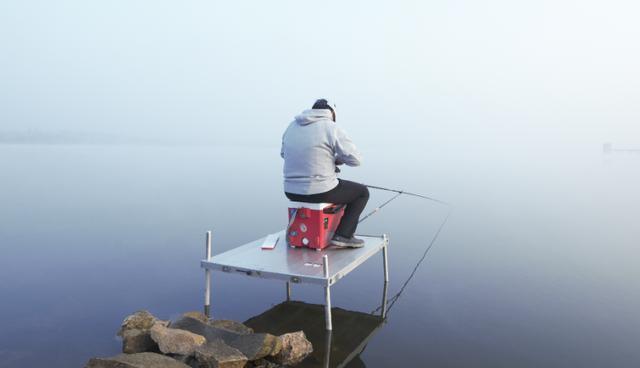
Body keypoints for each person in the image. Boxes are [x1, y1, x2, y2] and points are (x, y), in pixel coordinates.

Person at [280, 99, 369, 248]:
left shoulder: (292, 126)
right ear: (331, 113)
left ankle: (317, 231)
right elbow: (356, 160)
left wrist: (326, 160)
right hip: (320, 191)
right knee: (361, 192)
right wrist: (337, 160)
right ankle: (343, 235)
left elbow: (284, 154)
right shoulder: (331, 127)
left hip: (291, 191)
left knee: (338, 188)